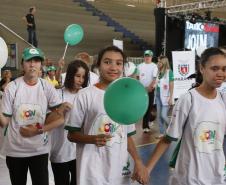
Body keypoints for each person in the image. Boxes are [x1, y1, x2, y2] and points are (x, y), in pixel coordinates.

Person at [65, 46, 148, 185]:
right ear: (98, 65)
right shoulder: (85, 95)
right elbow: (71, 134)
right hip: (91, 171)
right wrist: (92, 139)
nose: (113, 67)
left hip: (119, 170)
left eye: (118, 63)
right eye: (107, 62)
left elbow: (127, 135)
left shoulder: (126, 97)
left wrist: (138, 162)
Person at [146, 47, 226, 185]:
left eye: (224, 69)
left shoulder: (223, 99)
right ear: (202, 68)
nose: (220, 73)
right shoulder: (188, 99)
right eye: (215, 68)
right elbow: (167, 139)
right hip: (190, 176)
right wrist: (147, 169)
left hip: (217, 175)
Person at [0, 47, 71, 185]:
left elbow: (59, 117)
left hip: (40, 150)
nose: (32, 64)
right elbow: (4, 122)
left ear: (41, 65)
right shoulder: (12, 87)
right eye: (28, 61)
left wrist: (40, 129)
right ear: (22, 65)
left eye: (36, 61)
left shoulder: (47, 87)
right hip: (15, 151)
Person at [50, 60, 90, 185]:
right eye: (78, 76)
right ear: (70, 75)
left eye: (83, 77)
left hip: (79, 150)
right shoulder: (57, 94)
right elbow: (47, 121)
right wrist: (61, 109)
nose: (80, 80)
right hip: (60, 150)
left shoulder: (86, 96)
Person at [137, 50, 158, 133]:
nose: (147, 57)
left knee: (149, 107)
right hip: (141, 90)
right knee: (142, 108)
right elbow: (137, 77)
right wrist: (139, 86)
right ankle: (151, 118)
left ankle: (145, 126)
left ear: (151, 57)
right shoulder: (139, 66)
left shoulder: (154, 66)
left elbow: (154, 78)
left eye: (148, 56)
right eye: (146, 55)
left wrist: (149, 87)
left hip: (150, 89)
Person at [155, 56, 174, 138]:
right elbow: (157, 83)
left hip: (166, 97)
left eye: (159, 62)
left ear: (164, 62)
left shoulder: (169, 72)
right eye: (158, 62)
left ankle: (173, 127)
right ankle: (162, 132)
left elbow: (171, 85)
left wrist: (170, 97)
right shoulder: (158, 72)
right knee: (159, 115)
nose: (158, 63)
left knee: (163, 115)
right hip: (158, 95)